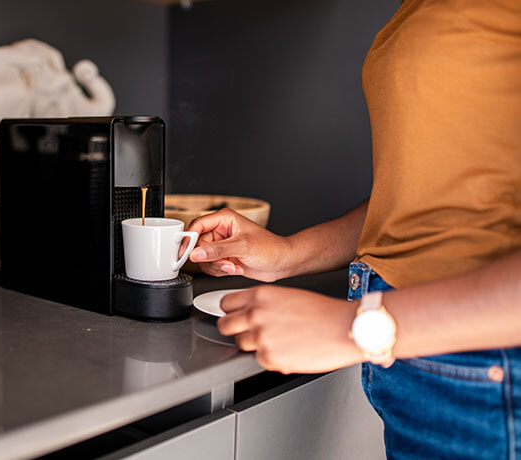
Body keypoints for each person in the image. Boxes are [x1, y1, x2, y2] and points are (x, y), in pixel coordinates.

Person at [186, 1, 520, 458]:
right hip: (430, 362)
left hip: (488, 371)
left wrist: (354, 328)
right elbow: (432, 193)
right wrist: (289, 254)